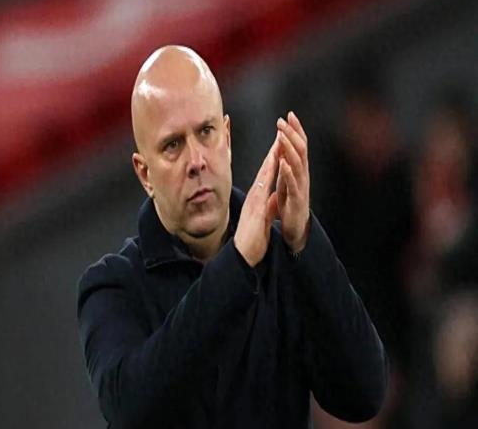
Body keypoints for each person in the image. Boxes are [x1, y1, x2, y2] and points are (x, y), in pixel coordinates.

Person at [77, 45, 388, 429]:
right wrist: (238, 264)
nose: (196, 161)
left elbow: (363, 393)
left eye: (205, 133)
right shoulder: (112, 287)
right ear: (145, 174)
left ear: (226, 137)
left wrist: (304, 241)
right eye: (173, 145)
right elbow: (131, 409)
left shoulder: (286, 256)